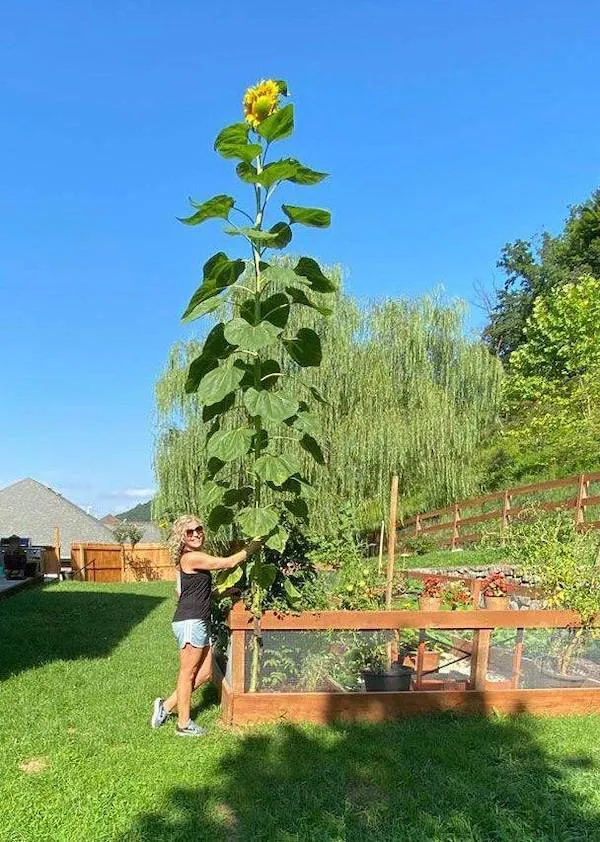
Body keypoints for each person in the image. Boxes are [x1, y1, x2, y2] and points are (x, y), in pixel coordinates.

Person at [151, 514, 262, 736]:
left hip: (195, 619)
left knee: (206, 672)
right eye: (189, 532)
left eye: (198, 529)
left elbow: (187, 592)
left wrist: (226, 591)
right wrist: (253, 546)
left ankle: (164, 707)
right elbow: (228, 563)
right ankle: (183, 724)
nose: (196, 534)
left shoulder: (187, 560)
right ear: (182, 538)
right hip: (191, 621)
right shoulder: (191, 557)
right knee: (187, 673)